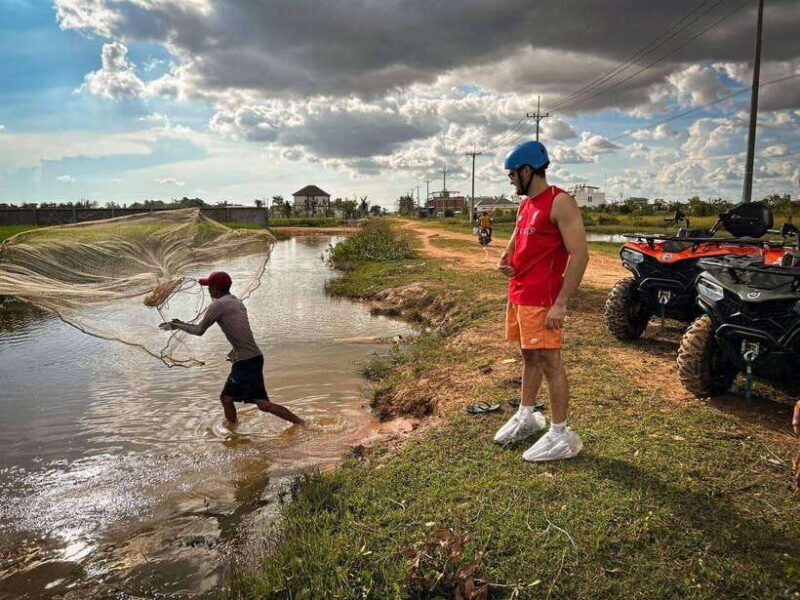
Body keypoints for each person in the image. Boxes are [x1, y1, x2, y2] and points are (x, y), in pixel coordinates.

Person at [493, 141, 589, 461]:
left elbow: (579, 255)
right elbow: (519, 233)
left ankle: (562, 434)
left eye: (512, 174)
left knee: (550, 363)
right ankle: (528, 415)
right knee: (529, 358)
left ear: (526, 171)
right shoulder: (525, 205)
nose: (510, 180)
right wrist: (507, 255)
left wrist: (561, 302)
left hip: (543, 299)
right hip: (520, 294)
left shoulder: (560, 202)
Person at [159, 271, 303, 426]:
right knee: (228, 398)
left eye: (209, 286)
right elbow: (241, 333)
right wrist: (235, 352)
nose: (208, 290)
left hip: (246, 361)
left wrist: (177, 325)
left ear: (215, 288)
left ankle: (301, 423)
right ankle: (234, 430)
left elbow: (199, 330)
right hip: (250, 358)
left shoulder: (218, 305)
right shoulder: (236, 301)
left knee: (260, 404)